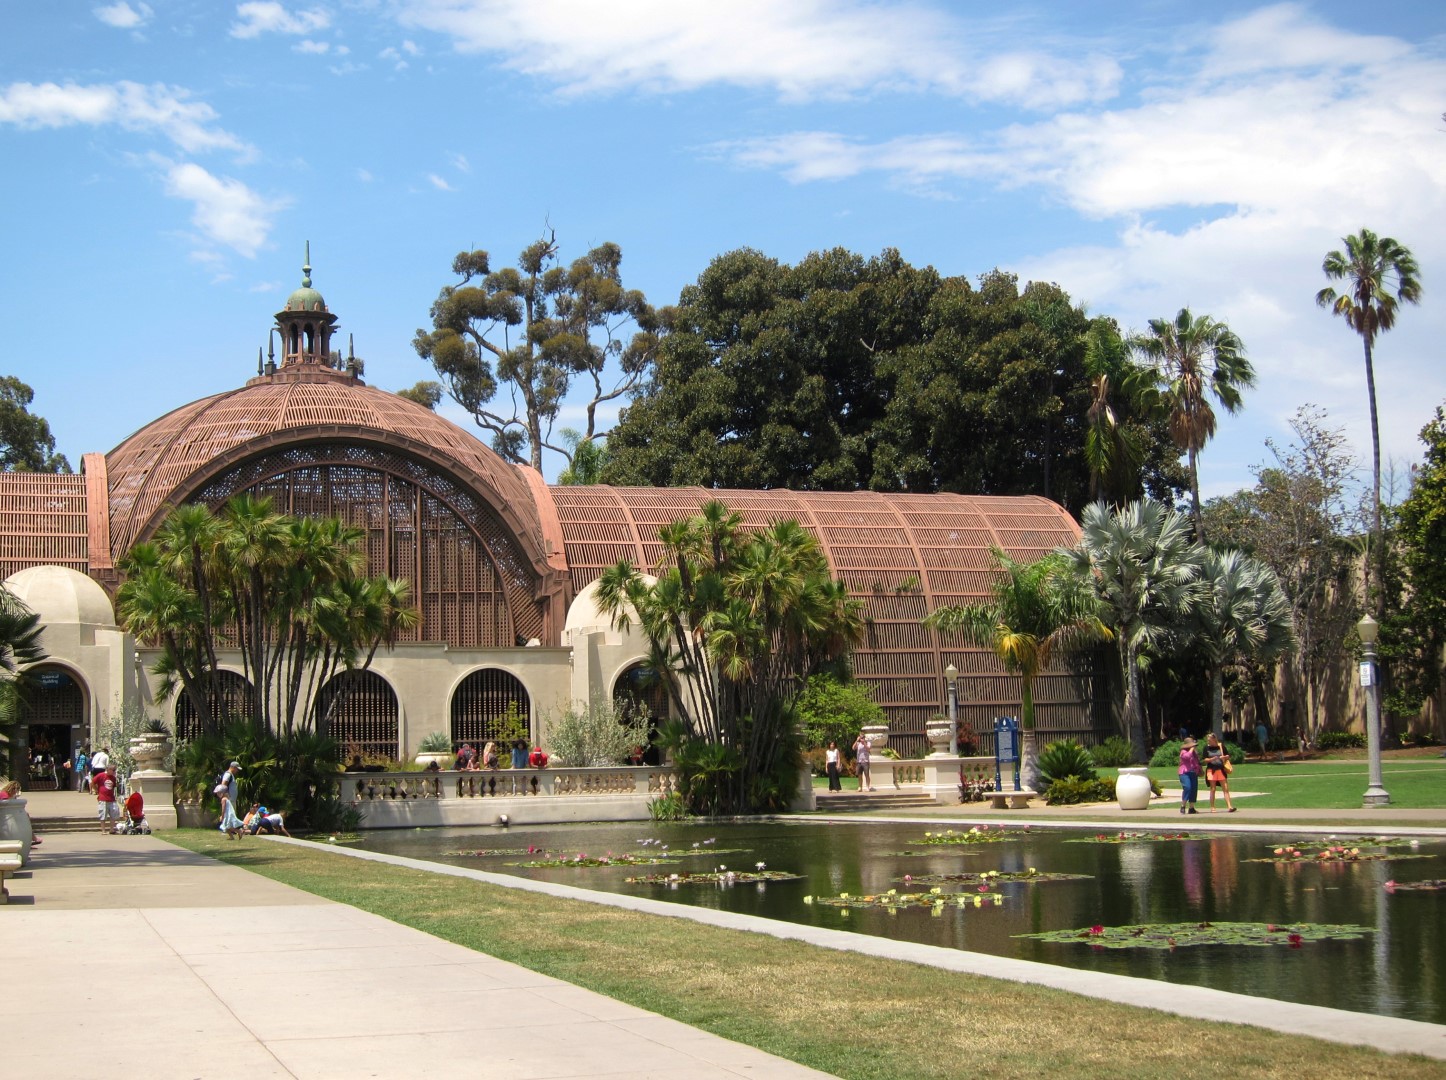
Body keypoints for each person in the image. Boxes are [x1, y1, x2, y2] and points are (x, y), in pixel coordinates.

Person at [1203, 732, 1237, 812]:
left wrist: (1224, 757)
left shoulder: (1221, 746)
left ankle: (1229, 806)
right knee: (1213, 789)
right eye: (1208, 740)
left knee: (1225, 788)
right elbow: (1205, 759)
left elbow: (1227, 756)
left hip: (1221, 769)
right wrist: (1211, 759)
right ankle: (1212, 807)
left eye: (1210, 740)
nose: (1209, 742)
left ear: (1214, 739)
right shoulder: (1206, 748)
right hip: (1211, 770)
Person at [1178, 736, 1201, 815]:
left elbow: (1196, 762)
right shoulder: (1183, 751)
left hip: (1193, 772)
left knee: (1194, 789)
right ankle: (1183, 806)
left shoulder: (1194, 753)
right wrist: (1191, 749)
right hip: (1184, 773)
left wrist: (1198, 769)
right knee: (1188, 787)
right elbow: (1187, 757)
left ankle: (1191, 808)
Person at [95, 764, 120, 833]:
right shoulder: (101, 775)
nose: (114, 772)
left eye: (115, 770)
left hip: (111, 798)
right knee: (103, 814)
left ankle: (111, 829)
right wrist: (97, 790)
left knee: (114, 813)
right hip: (103, 798)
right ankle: (103, 830)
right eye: (113, 770)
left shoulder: (113, 778)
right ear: (108, 770)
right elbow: (93, 782)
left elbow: (114, 787)